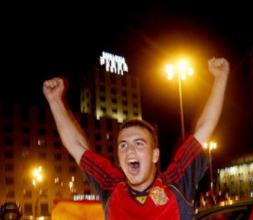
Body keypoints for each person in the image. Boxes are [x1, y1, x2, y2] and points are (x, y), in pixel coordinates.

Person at [43, 57, 230, 220]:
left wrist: (220, 79)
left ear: (155, 155)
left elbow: (205, 127)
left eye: (139, 143)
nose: (129, 150)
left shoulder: (177, 183)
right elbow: (77, 147)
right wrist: (55, 101)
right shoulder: (110, 185)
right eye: (123, 145)